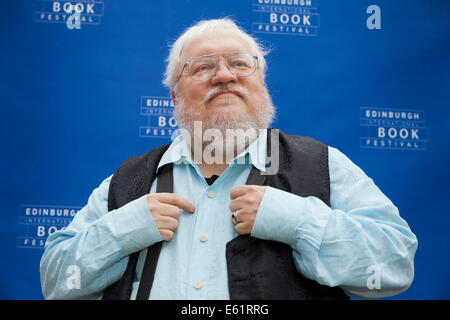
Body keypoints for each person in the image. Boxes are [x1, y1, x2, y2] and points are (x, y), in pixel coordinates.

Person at [40, 18, 418, 300]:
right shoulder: (129, 182)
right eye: (203, 67)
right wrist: (124, 231)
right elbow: (56, 281)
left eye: (240, 64)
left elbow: (395, 264)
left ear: (260, 85)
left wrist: (295, 220)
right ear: (173, 97)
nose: (224, 76)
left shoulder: (323, 166)